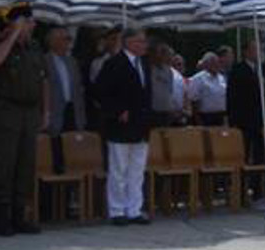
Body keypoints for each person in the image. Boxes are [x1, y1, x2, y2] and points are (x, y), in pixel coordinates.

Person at [0, 7, 46, 236]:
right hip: (7, 110)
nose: (32, 26)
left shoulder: (35, 47)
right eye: (28, 22)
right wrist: (12, 34)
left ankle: (20, 216)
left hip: (30, 112)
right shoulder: (1, 43)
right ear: (14, 23)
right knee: (6, 163)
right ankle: (2, 218)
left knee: (26, 165)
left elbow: (43, 80)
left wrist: (45, 110)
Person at [95, 28, 153, 226]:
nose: (144, 45)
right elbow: (100, 92)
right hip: (120, 125)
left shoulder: (144, 64)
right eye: (139, 41)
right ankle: (117, 209)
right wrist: (118, 110)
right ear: (128, 42)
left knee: (137, 170)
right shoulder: (113, 64)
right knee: (119, 169)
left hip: (141, 124)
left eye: (144, 41)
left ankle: (134, 209)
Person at [228, 40, 265, 204]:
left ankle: (258, 189)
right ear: (246, 52)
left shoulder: (264, 69)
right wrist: (234, 121)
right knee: (243, 155)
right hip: (244, 120)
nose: (257, 53)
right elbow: (233, 97)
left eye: (258, 50)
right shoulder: (238, 70)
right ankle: (241, 191)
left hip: (261, 120)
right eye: (254, 50)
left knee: (260, 155)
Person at [45, 26, 86, 174]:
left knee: (73, 152)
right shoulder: (45, 61)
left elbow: (79, 90)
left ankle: (72, 193)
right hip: (54, 112)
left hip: (72, 111)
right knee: (55, 152)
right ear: (53, 42)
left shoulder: (72, 62)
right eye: (65, 39)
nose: (69, 42)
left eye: (69, 39)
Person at [149, 44, 184, 127]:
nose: (167, 57)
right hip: (153, 110)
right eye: (163, 54)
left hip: (167, 110)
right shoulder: (149, 69)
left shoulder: (169, 71)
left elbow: (170, 90)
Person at [189, 52, 227, 126]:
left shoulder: (222, 78)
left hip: (221, 115)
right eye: (213, 62)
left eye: (217, 62)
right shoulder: (198, 78)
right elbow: (194, 100)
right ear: (206, 64)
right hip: (205, 117)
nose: (216, 64)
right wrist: (198, 120)